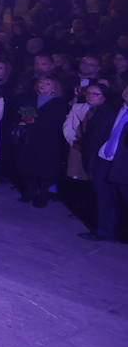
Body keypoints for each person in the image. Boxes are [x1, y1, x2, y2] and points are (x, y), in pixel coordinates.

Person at [78, 84, 128, 241]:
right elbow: (93, 134)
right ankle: (105, 232)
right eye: (127, 88)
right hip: (104, 160)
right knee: (105, 198)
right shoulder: (111, 109)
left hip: (124, 166)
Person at [13, 75, 71, 207]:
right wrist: (24, 121)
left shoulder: (60, 103)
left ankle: (43, 195)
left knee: (45, 170)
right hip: (29, 139)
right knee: (27, 166)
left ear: (55, 88)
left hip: (49, 141)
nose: (43, 85)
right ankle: (30, 192)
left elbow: (56, 123)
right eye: (41, 82)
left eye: (48, 83)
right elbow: (26, 116)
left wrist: (34, 121)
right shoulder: (30, 99)